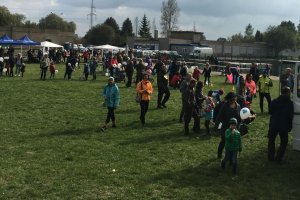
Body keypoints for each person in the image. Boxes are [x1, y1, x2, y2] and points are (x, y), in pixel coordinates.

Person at [268, 86, 294, 163]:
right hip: (283, 125)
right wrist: (290, 127)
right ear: (288, 93)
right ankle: (278, 158)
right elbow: (290, 116)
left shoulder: (275, 101)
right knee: (284, 141)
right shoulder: (290, 103)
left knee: (271, 140)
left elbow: (270, 112)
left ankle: (271, 157)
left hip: (274, 123)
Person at [215, 92, 241, 159]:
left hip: (234, 128)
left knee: (232, 142)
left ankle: (230, 157)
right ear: (228, 99)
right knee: (223, 141)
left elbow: (239, 117)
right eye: (232, 100)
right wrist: (216, 126)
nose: (233, 101)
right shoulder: (225, 106)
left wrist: (240, 123)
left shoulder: (238, 106)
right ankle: (219, 155)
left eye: (234, 99)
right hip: (226, 127)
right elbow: (220, 116)